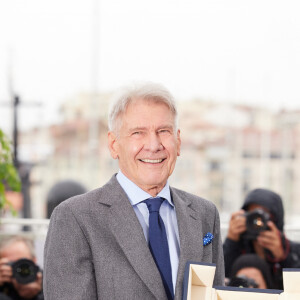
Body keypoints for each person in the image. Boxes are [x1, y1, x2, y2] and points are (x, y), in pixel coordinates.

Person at [43, 82, 225, 300]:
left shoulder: (205, 214)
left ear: (178, 141)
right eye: (138, 133)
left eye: (163, 131)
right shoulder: (75, 218)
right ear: (113, 144)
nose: (153, 145)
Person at [223, 188, 300, 289]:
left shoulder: (293, 250)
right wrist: (231, 241)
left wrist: (283, 257)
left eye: (263, 215)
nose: (257, 222)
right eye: (252, 214)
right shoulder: (236, 246)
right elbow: (219, 276)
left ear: (276, 219)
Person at [0, 236, 43, 300]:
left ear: (34, 261)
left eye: (23, 263)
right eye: (12, 264)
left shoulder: (47, 282)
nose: (19, 269)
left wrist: (37, 296)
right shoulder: (3, 284)